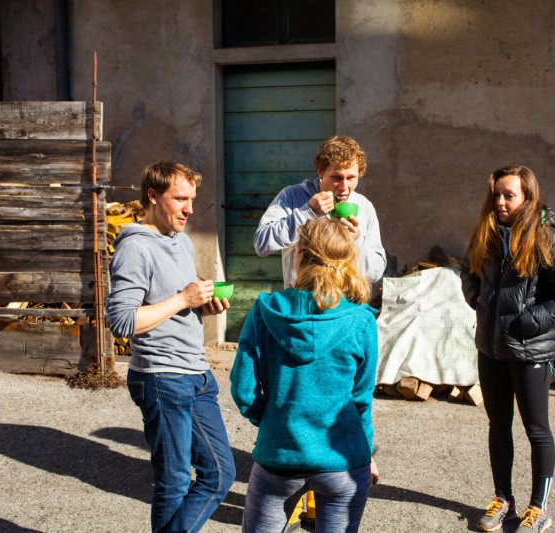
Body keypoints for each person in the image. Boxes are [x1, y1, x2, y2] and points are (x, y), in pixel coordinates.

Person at [105, 161, 236, 533]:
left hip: (197, 375)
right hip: (161, 379)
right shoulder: (135, 249)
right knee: (175, 482)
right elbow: (123, 322)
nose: (189, 208)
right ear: (152, 195)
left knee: (220, 474)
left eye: (192, 199)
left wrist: (203, 300)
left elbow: (179, 294)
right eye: (180, 199)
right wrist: (182, 299)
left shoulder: (180, 241)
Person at [232, 217, 380, 533]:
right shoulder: (361, 320)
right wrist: (366, 452)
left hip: (278, 457)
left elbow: (243, 389)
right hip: (342, 462)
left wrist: (272, 420)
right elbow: (361, 400)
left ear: (300, 256)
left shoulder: (265, 309)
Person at [460, 166, 555, 533]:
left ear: (527, 197)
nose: (499, 201)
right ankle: (503, 500)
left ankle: (538, 508)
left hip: (531, 351)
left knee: (537, 430)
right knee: (499, 425)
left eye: (509, 195)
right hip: (491, 348)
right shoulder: (488, 233)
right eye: (496, 194)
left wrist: (527, 323)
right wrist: (477, 299)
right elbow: (469, 270)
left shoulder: (548, 239)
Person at [253, 135, 386, 288]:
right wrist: (307, 212)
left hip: (345, 306)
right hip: (302, 304)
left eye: (351, 178)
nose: (344, 187)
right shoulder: (292, 196)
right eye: (337, 177)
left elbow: (375, 274)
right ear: (320, 171)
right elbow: (261, 244)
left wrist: (357, 241)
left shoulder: (363, 206)